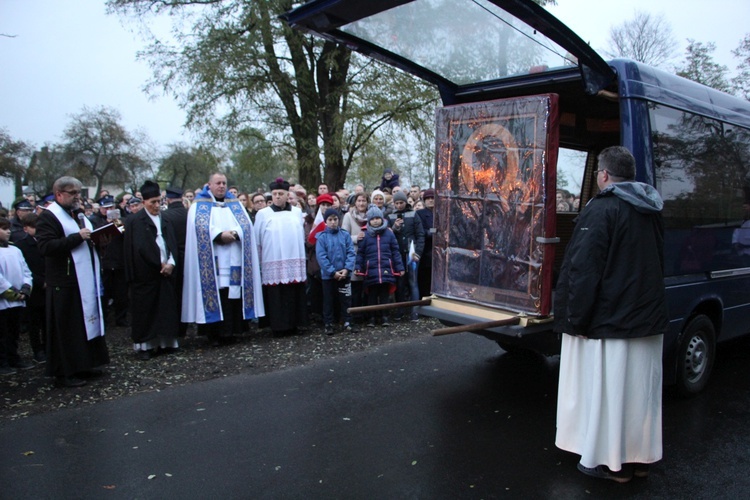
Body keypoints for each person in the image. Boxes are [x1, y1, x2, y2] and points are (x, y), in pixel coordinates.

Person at [554, 146, 669, 483]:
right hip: (645, 318)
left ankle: (607, 462)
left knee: (609, 393)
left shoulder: (602, 209)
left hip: (611, 320)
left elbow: (584, 268)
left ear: (603, 175)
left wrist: (576, 319)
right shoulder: (652, 210)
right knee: (638, 396)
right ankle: (639, 457)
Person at [36, 176, 109, 388]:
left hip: (83, 279)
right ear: (59, 194)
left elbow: (88, 238)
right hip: (64, 281)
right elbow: (46, 247)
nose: (78, 197)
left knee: (82, 324)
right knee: (66, 328)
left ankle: (85, 364)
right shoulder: (49, 217)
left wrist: (101, 240)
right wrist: (77, 237)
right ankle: (64, 372)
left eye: (79, 193)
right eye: (73, 193)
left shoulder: (77, 215)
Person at [182, 173, 264, 346]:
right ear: (209, 185)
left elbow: (246, 226)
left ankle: (233, 331)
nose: (221, 186)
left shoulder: (234, 204)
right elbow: (200, 228)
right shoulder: (199, 205)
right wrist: (219, 235)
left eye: (224, 183)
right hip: (212, 260)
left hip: (233, 258)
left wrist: (235, 233)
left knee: (231, 296)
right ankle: (214, 334)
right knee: (216, 294)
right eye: (218, 183)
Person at [124, 181, 182, 360]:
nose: (157, 206)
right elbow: (140, 247)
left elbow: (172, 242)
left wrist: (171, 263)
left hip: (166, 271)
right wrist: (159, 264)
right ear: (144, 202)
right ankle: (145, 346)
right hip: (146, 274)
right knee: (146, 311)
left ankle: (166, 342)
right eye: (152, 202)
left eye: (159, 201)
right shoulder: (134, 221)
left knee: (166, 309)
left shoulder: (165, 218)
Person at [254, 178, 307, 336]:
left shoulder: (297, 212)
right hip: (273, 261)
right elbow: (257, 239)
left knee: (293, 294)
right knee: (277, 296)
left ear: (287, 195)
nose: (277, 196)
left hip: (294, 260)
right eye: (275, 194)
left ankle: (295, 324)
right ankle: (278, 327)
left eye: (281, 193)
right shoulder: (263, 214)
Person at [355, 206, 404, 327]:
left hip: (386, 268)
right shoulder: (365, 234)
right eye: (373, 219)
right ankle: (371, 318)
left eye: (378, 218)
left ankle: (385, 316)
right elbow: (360, 253)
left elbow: (395, 252)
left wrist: (400, 267)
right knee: (371, 295)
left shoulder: (389, 233)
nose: (375, 221)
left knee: (384, 295)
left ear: (382, 219)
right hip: (371, 270)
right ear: (369, 220)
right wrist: (358, 267)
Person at [0, 217, 34, 375]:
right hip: (4, 300)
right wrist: (12, 292)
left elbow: (26, 271)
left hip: (18, 299)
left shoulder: (15, 250)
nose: (8, 231)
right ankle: (2, 362)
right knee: (2, 333)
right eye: (4, 228)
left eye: (8, 228)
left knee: (14, 332)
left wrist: (25, 288)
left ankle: (14, 357)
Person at [90, 195, 130, 327]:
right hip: (104, 263)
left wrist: (116, 222)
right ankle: (104, 318)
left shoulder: (122, 219)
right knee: (104, 294)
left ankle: (121, 318)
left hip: (119, 262)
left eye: (111, 207)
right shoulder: (95, 220)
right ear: (101, 208)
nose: (109, 210)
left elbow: (125, 234)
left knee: (121, 293)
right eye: (106, 208)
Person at [315, 208, 356, 335]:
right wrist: (332, 272)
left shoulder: (345, 235)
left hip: (344, 275)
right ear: (326, 221)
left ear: (339, 220)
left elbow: (351, 252)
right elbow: (321, 257)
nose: (333, 222)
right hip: (329, 276)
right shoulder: (322, 238)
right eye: (330, 220)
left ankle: (347, 321)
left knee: (346, 299)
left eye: (335, 219)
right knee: (328, 300)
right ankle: (329, 323)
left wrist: (347, 269)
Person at [387, 190, 425, 321]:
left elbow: (420, 235)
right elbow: (388, 235)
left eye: (401, 202)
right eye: (396, 203)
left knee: (413, 282)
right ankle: (400, 311)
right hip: (397, 255)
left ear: (405, 202)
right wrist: (395, 227)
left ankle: (415, 311)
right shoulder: (391, 216)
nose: (399, 205)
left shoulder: (414, 215)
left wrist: (418, 253)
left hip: (412, 255)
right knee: (400, 283)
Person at [14, 213, 47, 364]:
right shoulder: (21, 246)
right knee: (34, 323)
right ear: (26, 229)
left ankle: (47, 347)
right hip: (35, 289)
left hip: (48, 285)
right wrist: (40, 281)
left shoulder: (45, 241)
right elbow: (24, 268)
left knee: (47, 321)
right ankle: (37, 350)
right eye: (34, 227)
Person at [161, 186, 189, 336]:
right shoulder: (188, 214)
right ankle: (185, 326)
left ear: (168, 199)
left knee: (175, 294)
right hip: (190, 257)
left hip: (175, 258)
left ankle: (176, 328)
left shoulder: (165, 216)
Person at [341, 192, 369, 321]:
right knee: (356, 287)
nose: (361, 203)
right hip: (354, 255)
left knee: (368, 287)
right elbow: (344, 236)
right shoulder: (348, 216)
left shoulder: (372, 215)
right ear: (355, 202)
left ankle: (369, 314)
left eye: (364, 201)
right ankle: (356, 315)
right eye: (359, 201)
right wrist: (356, 238)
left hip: (369, 255)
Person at [416, 188, 435, 299]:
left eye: (432, 198)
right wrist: (434, 232)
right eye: (428, 198)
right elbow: (420, 231)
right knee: (424, 280)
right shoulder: (420, 213)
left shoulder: (442, 212)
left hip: (439, 254)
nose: (430, 200)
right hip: (426, 252)